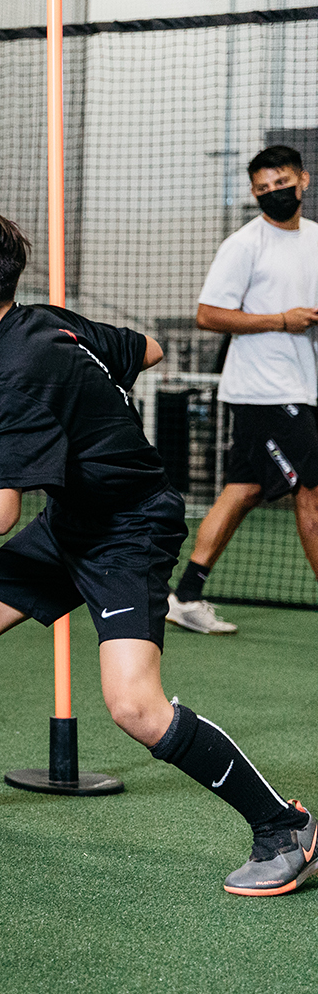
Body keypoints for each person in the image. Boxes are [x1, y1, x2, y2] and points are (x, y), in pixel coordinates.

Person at [0, 207, 315, 897]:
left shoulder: (13, 371)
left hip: (128, 531)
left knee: (136, 707)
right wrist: (93, 414)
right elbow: (147, 349)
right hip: (75, 521)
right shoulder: (45, 321)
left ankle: (283, 826)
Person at [167, 145, 318, 634]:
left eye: (282, 183)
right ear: (254, 194)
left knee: (244, 488)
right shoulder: (244, 244)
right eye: (264, 189)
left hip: (301, 385)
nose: (275, 193)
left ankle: (185, 596)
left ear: (304, 180)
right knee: (312, 491)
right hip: (263, 391)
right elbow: (208, 314)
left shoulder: (316, 240)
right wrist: (281, 320)